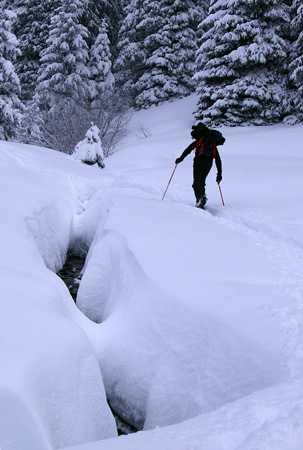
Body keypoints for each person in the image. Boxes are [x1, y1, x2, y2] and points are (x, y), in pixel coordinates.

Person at [175, 123, 224, 209]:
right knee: (201, 182)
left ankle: (200, 198)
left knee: (196, 182)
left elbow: (188, 150)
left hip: (199, 161)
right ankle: (201, 200)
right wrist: (219, 173)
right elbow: (218, 159)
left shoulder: (198, 141)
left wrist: (180, 159)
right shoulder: (212, 144)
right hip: (209, 163)